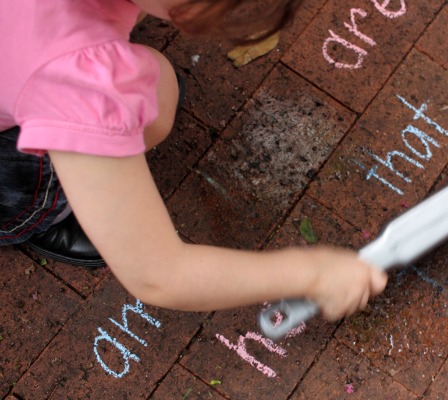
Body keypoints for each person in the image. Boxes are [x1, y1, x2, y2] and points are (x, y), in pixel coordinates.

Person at [0, 0, 387, 322]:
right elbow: (159, 275)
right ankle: (32, 214)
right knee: (115, 117)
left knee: (156, 90)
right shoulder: (76, 80)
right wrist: (313, 273)